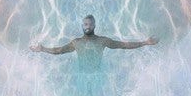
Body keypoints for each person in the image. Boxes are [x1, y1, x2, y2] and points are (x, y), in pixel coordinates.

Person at [30, 15, 158, 58]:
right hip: (81, 78)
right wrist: (42, 49)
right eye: (85, 24)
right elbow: (59, 50)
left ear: (94, 26)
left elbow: (123, 45)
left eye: (90, 24)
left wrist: (145, 42)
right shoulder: (76, 43)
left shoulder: (103, 41)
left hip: (98, 77)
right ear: (82, 26)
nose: (88, 26)